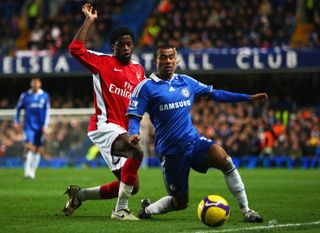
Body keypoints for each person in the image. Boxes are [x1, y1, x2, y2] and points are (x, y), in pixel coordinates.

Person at [127, 44, 267, 222]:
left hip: (193, 141)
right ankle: (148, 209)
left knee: (225, 160)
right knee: (180, 202)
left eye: (171, 57)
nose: (168, 61)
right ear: (155, 61)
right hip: (171, 151)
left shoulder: (186, 81)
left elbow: (216, 94)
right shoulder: (145, 87)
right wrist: (133, 132)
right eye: (163, 57)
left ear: (176, 60)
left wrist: (247, 98)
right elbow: (134, 116)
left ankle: (246, 210)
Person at [63, 3, 144, 220]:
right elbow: (75, 49)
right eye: (120, 45)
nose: (125, 48)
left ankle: (79, 195)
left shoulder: (138, 70)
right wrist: (89, 21)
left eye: (129, 44)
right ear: (112, 47)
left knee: (131, 186)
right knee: (137, 153)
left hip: (124, 129)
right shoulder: (102, 61)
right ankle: (120, 211)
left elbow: (143, 99)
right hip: (104, 125)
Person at [15, 77, 50, 179]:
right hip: (28, 126)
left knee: (37, 149)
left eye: (37, 83)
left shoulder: (44, 96)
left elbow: (47, 111)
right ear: (31, 84)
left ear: (40, 84)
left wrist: (45, 125)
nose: (35, 85)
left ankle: (32, 172)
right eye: (33, 83)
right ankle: (27, 172)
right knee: (29, 147)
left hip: (40, 127)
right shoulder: (25, 95)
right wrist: (16, 121)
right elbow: (18, 109)